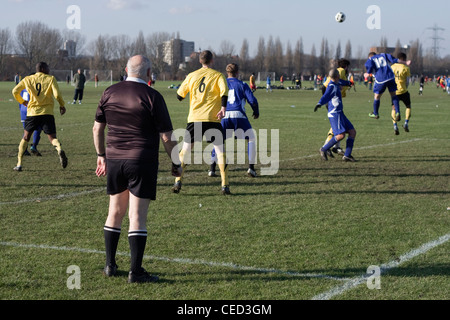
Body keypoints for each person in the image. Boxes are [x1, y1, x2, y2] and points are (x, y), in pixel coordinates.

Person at [93, 55, 182, 283]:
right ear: (150, 73)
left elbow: (97, 129)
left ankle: (110, 265)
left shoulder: (109, 92)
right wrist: (176, 162)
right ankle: (136, 272)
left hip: (114, 159)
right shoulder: (153, 96)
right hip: (141, 160)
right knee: (137, 216)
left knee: (114, 212)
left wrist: (101, 156)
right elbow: (166, 136)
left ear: (125, 70)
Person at [172, 50, 230, 195]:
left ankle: (178, 181)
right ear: (212, 60)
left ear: (200, 61)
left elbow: (179, 96)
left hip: (195, 119)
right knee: (220, 151)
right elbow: (224, 92)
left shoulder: (191, 76)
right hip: (213, 118)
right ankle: (225, 184)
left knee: (185, 151)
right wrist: (223, 108)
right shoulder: (218, 75)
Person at [11, 61, 68, 172]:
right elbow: (57, 94)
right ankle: (59, 149)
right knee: (52, 138)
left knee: (26, 137)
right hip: (47, 113)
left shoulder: (28, 79)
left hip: (32, 113)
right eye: (47, 67)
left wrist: (22, 101)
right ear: (42, 68)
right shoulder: (50, 78)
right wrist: (62, 105)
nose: (49, 69)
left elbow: (15, 91)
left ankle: (19, 164)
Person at [209, 63, 259, 178]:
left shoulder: (221, 84)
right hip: (239, 115)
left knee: (218, 141)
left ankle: (212, 169)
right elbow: (253, 101)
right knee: (251, 138)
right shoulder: (242, 84)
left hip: (224, 115)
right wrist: (256, 112)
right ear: (237, 73)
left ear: (227, 73)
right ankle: (251, 168)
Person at [314, 69, 356, 162]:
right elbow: (326, 95)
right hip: (335, 113)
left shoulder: (337, 81)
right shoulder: (332, 86)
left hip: (340, 112)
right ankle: (324, 149)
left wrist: (349, 83)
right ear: (337, 76)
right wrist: (319, 103)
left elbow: (343, 82)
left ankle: (347, 155)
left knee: (352, 132)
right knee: (340, 135)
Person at [364, 52, 410, 120]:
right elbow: (395, 60)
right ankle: (398, 112)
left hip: (381, 79)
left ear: (369, 57)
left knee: (377, 96)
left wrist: (367, 74)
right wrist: (405, 62)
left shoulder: (370, 59)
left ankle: (375, 113)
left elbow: (369, 67)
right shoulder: (383, 55)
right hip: (391, 77)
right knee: (393, 95)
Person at [320, 58, 352, 157]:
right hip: (332, 103)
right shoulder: (341, 71)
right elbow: (327, 85)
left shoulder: (340, 72)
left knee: (338, 126)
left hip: (334, 102)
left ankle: (334, 146)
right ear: (346, 66)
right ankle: (328, 146)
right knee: (336, 126)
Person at [391, 52, 412, 135]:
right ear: (404, 59)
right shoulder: (406, 68)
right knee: (408, 106)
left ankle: (395, 125)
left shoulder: (392, 67)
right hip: (403, 91)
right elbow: (408, 81)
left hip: (394, 92)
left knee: (393, 108)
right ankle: (406, 123)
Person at [19, 89, 42, 156]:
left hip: (23, 110)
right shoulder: (33, 86)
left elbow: (19, 101)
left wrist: (21, 109)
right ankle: (34, 146)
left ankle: (24, 149)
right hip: (32, 110)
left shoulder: (23, 87)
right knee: (39, 128)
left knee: (26, 131)